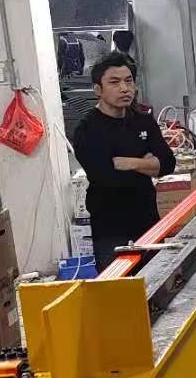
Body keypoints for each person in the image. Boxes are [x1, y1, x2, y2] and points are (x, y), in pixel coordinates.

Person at [71, 51, 175, 271]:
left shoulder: (143, 122)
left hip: (147, 220)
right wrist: (149, 163)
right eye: (114, 82)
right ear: (98, 89)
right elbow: (107, 177)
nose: (124, 88)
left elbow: (168, 164)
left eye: (129, 81)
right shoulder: (87, 130)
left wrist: (129, 163)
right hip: (110, 229)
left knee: (157, 280)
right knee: (117, 287)